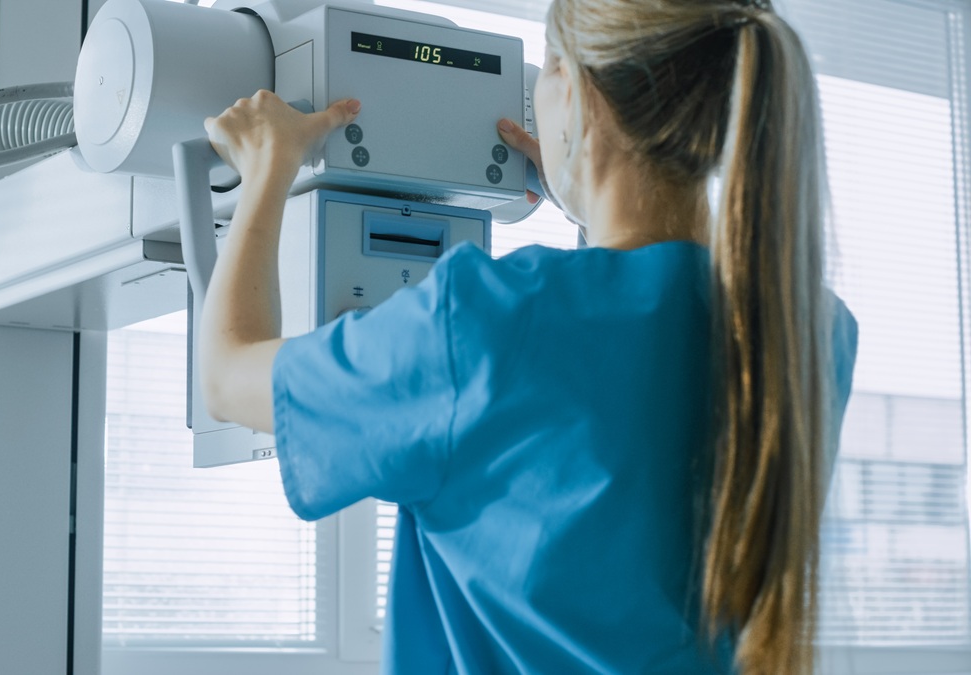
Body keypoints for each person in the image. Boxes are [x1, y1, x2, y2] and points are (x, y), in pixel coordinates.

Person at [197, 0, 858, 671]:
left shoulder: (483, 321)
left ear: (574, 92)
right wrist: (593, 199)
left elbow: (226, 375)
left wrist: (267, 167)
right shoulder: (812, 335)